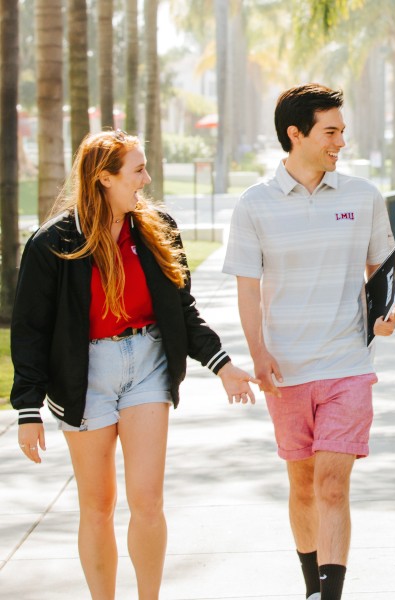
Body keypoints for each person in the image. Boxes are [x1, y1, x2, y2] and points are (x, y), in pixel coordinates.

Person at [11, 130, 258, 600]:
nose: (147, 178)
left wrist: (222, 364)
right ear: (104, 178)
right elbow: (30, 332)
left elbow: (182, 308)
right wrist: (27, 409)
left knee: (147, 501)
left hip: (147, 363)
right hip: (84, 376)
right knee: (98, 506)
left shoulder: (156, 228)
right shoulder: (51, 244)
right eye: (137, 170)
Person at [223, 83, 395, 600]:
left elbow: (382, 271)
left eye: (342, 131)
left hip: (348, 363)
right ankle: (310, 587)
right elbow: (248, 289)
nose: (341, 141)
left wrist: (387, 312)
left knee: (333, 485)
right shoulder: (254, 205)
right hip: (287, 372)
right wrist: (257, 352)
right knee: (302, 486)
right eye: (331, 131)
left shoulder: (363, 197)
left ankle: (331, 595)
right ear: (295, 134)